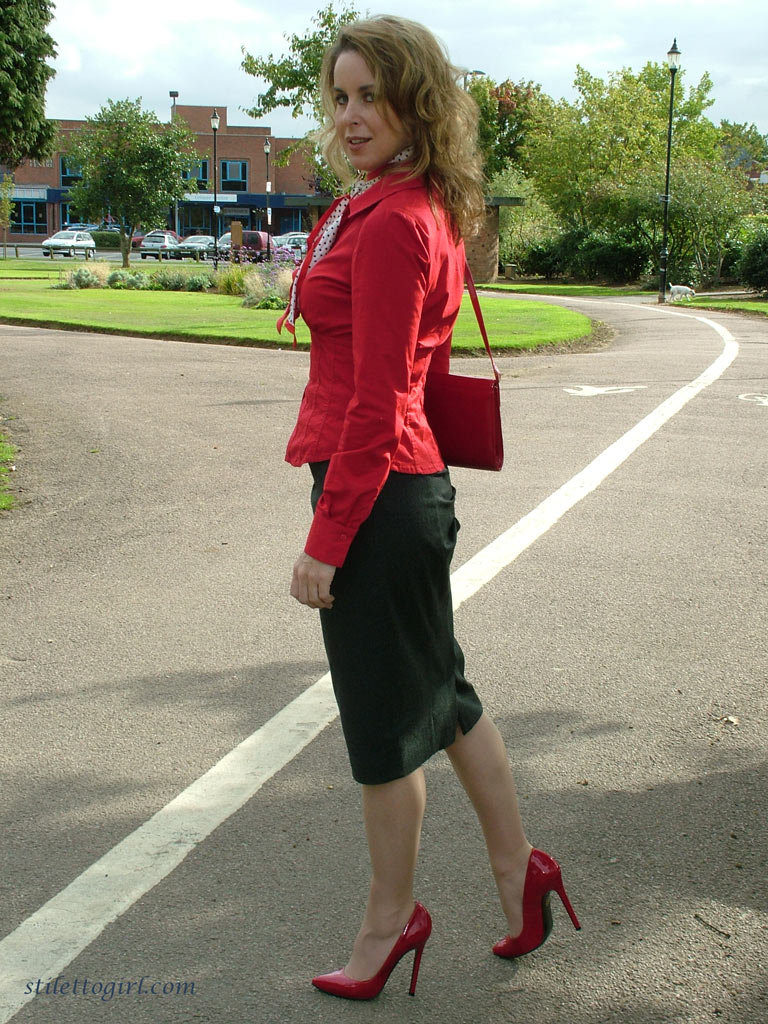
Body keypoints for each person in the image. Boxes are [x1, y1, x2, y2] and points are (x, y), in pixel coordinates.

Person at [282, 14, 580, 1001]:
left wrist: (327, 540)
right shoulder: (392, 204)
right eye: (341, 97)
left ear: (416, 101)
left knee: (383, 730)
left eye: (373, 95)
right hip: (402, 487)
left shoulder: (396, 222)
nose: (351, 115)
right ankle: (520, 870)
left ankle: (390, 924)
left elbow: (377, 403)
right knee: (444, 697)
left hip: (377, 494)